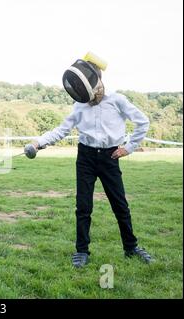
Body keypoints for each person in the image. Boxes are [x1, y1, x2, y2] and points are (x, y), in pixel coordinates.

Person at [31, 53, 153, 268]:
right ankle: (82, 251)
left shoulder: (118, 100)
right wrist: (38, 144)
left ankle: (131, 247)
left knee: (120, 205)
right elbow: (62, 130)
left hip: (110, 156)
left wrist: (128, 148)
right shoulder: (79, 106)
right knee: (83, 206)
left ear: (97, 84)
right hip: (85, 157)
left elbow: (142, 122)